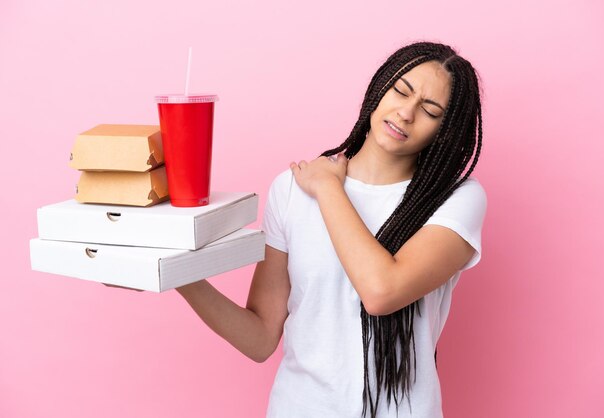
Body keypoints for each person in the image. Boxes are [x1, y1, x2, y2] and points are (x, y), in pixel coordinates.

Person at [114, 40, 487, 418]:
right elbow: (259, 339)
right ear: (379, 88)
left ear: (444, 131)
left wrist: (328, 188)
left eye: (430, 111)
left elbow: (380, 291)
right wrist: (174, 271)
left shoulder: (457, 200)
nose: (406, 113)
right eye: (400, 90)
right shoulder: (291, 189)